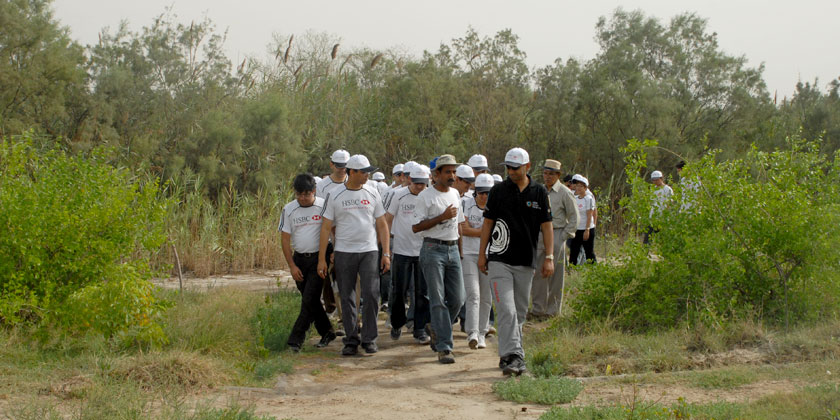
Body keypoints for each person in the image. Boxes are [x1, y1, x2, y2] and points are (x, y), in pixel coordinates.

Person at [478, 147, 554, 376]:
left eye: (515, 167)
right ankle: (517, 357)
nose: (511, 171)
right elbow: (488, 224)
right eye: (508, 167)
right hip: (500, 259)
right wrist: (482, 254)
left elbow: (547, 226)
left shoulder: (539, 192)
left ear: (527, 167)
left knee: (519, 312)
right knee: (506, 309)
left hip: (526, 261)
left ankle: (507, 356)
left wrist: (549, 257)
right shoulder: (498, 191)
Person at [317, 154, 390, 356]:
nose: (367, 175)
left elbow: (382, 224)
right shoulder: (335, 195)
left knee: (371, 294)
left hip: (369, 251)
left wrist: (386, 253)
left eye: (369, 172)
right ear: (352, 172)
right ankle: (350, 340)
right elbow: (325, 228)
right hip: (344, 252)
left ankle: (369, 338)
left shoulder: (373, 192)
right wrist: (322, 258)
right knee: (347, 296)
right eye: (364, 172)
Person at [412, 154, 465, 364]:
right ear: (436, 175)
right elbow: (416, 227)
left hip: (452, 249)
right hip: (432, 248)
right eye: (448, 172)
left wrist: (459, 252)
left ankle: (436, 327)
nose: (452, 176)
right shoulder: (425, 197)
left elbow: (459, 224)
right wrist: (441, 217)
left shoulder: (455, 194)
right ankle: (444, 347)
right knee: (437, 299)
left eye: (454, 171)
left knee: (458, 299)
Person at [280, 174, 337, 352]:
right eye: (299, 194)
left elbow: (334, 230)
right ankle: (327, 331)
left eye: (306, 194)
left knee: (308, 299)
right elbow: (284, 239)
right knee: (311, 300)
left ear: (314, 191)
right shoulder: (289, 209)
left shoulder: (323, 205)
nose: (303, 198)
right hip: (299, 259)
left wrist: (333, 252)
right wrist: (292, 266)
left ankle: (295, 341)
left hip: (320, 258)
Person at [385, 164, 432, 344]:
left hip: (423, 250)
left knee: (422, 292)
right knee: (399, 290)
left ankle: (419, 328)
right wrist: (387, 248)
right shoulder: (398, 195)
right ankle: (397, 322)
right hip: (402, 250)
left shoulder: (429, 196)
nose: (420, 187)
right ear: (409, 180)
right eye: (417, 183)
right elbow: (387, 220)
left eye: (423, 183)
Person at [529, 160, 579, 320]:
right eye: (545, 173)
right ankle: (538, 309)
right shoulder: (539, 191)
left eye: (551, 173)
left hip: (557, 232)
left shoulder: (565, 192)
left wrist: (563, 236)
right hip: (539, 234)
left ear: (558, 175)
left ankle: (552, 311)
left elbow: (574, 217)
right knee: (538, 273)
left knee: (556, 274)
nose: (547, 176)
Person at [460, 173, 494, 349]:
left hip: (489, 256)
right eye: (481, 193)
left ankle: (482, 332)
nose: (484, 196)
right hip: (469, 254)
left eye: (488, 193)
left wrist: (480, 231)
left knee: (486, 297)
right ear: (475, 192)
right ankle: (472, 332)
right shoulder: (465, 204)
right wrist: (485, 231)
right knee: (473, 294)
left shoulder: (495, 207)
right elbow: (463, 229)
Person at [569, 174, 597, 264]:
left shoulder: (589, 198)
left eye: (581, 186)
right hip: (577, 229)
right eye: (577, 186)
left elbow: (590, 215)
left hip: (586, 229)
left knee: (589, 251)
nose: (578, 188)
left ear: (585, 188)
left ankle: (593, 269)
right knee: (574, 251)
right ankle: (571, 270)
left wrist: (587, 229)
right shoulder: (575, 198)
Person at [643, 170, 674, 244]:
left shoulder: (667, 189)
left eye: (657, 179)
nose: (655, 181)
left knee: (664, 239)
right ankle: (644, 253)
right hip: (653, 217)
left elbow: (671, 202)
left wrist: (667, 215)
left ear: (661, 178)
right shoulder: (653, 189)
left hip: (663, 218)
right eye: (653, 180)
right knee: (647, 237)